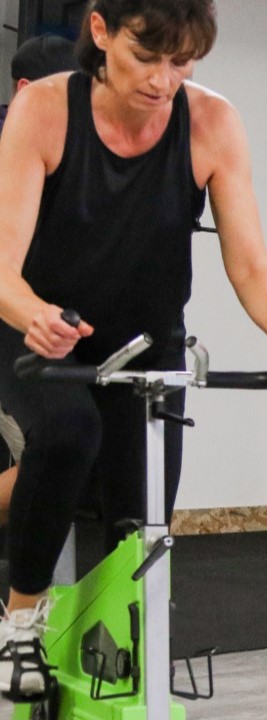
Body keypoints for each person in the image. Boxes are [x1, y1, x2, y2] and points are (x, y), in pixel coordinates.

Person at [0, 0, 267, 702]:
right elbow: (2, 263)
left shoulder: (211, 121)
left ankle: (123, 643)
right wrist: (35, 314)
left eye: (181, 63)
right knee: (67, 434)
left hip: (147, 342)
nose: (163, 80)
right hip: (35, 327)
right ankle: (20, 624)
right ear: (100, 31)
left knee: (143, 517)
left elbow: (249, 262)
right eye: (145, 58)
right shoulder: (46, 112)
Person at [0, 34, 78, 522]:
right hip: (9, 332)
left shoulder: (67, 153)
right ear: (27, 89)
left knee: (75, 451)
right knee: (52, 457)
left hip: (44, 333)